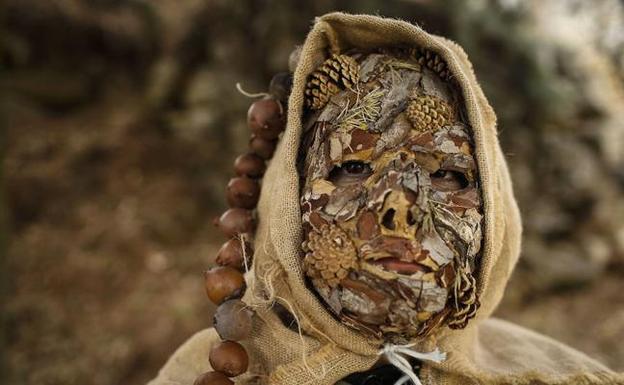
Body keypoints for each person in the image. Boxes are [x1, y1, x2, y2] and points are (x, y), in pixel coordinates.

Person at [148, 13, 623, 385]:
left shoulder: (551, 373)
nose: (399, 210)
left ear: (495, 214)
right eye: (351, 168)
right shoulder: (202, 374)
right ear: (285, 201)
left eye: (450, 176)